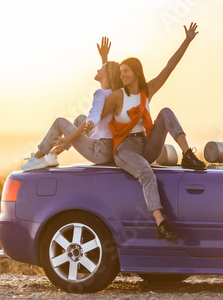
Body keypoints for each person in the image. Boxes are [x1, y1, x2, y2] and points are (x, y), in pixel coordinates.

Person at [100, 22, 206, 242]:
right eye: (120, 72)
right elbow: (106, 88)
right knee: (147, 173)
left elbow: (169, 67)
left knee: (166, 112)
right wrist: (104, 59)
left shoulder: (147, 92)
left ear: (136, 72)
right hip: (125, 149)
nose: (122, 74)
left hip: (146, 145)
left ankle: (188, 155)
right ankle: (161, 223)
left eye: (126, 71)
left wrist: (186, 41)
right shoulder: (118, 95)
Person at [21, 37, 122, 171]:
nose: (98, 70)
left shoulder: (100, 94)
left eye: (102, 68)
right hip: (110, 149)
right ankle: (54, 155)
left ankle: (37, 158)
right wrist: (104, 57)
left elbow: (95, 114)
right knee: (80, 118)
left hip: (99, 152)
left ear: (107, 75)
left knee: (60, 122)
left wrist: (88, 124)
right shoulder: (114, 93)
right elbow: (110, 72)